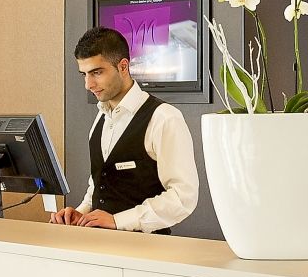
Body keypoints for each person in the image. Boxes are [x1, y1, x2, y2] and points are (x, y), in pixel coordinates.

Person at [51, 26, 198, 233]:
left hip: (146, 247)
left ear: (123, 66)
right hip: (97, 244)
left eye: (97, 72)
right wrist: (82, 213)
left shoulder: (164, 118)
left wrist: (118, 220)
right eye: (84, 74)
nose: (88, 84)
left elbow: (183, 197)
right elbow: (99, 184)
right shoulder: (101, 117)